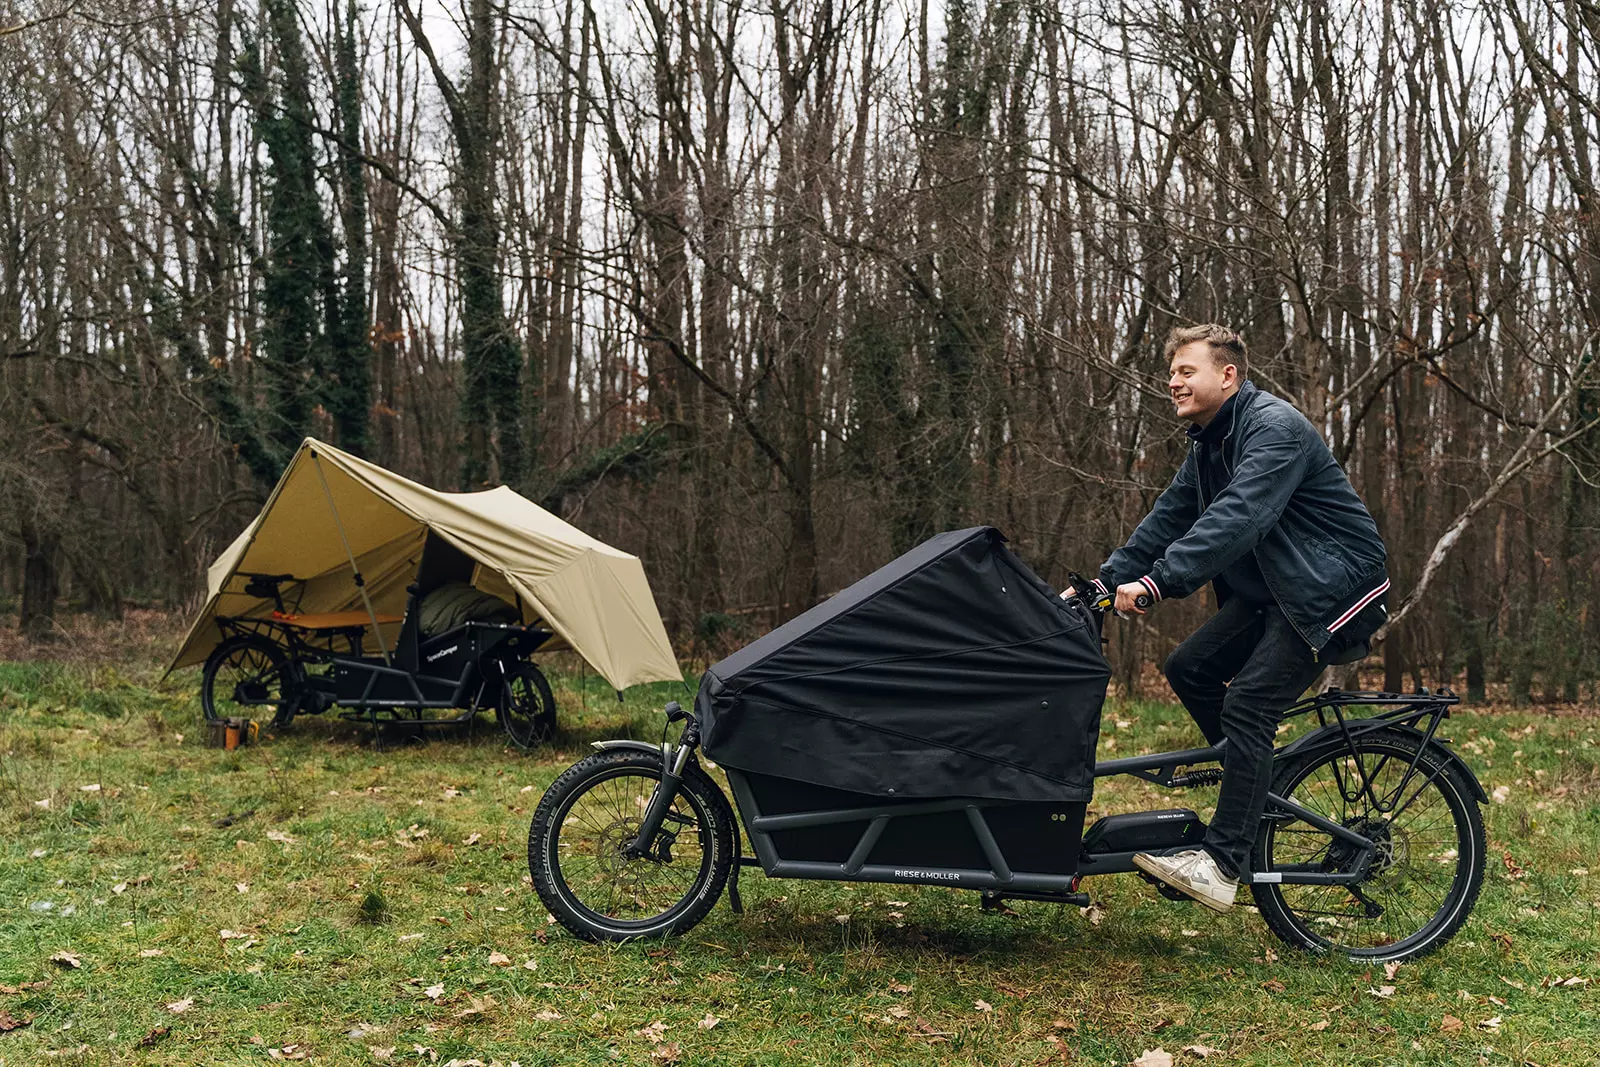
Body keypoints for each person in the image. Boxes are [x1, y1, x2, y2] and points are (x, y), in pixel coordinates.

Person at [1072, 324, 1389, 913]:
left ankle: (1222, 862)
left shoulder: (1275, 429)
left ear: (1229, 376)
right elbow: (1168, 519)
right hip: (1276, 588)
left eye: (1186, 371)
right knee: (1188, 667)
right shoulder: (1209, 442)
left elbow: (1241, 519)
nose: (1173, 382)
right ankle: (1255, 784)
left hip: (1333, 586)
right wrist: (1105, 580)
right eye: (1171, 373)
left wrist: (1158, 582)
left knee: (1248, 703)